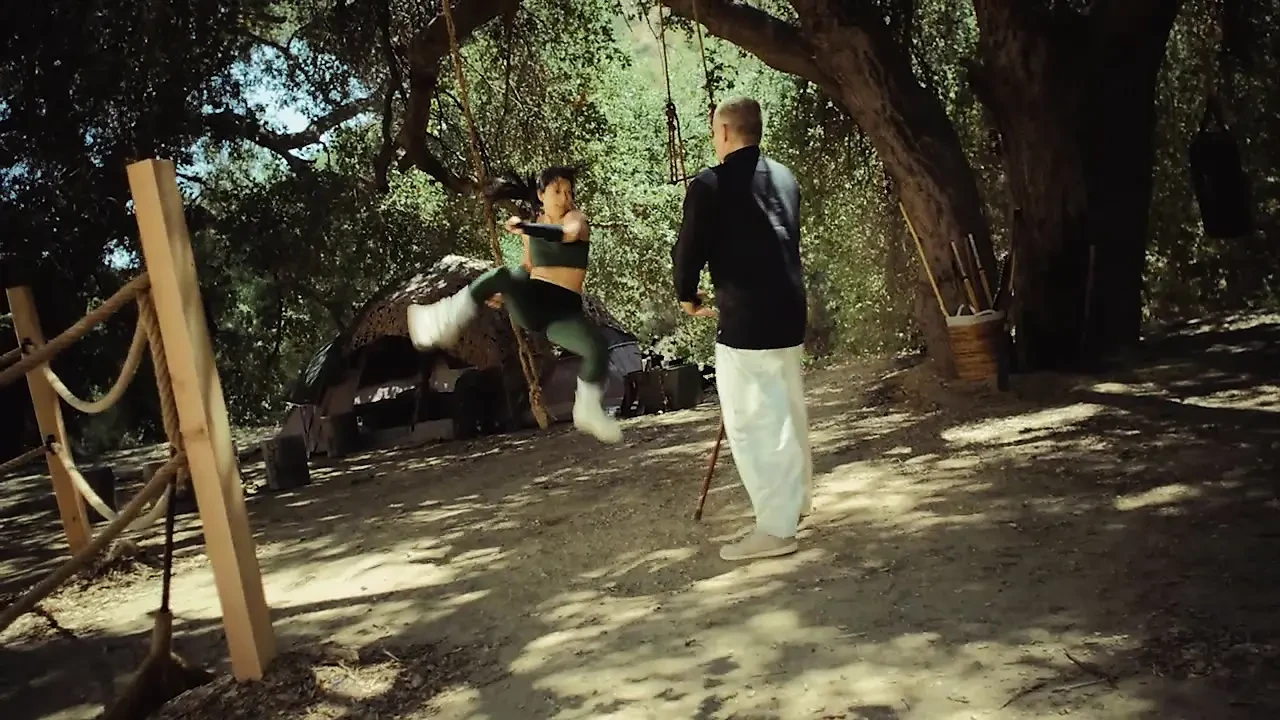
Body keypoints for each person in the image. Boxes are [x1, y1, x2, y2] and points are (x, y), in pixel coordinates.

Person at [672, 96, 813, 562]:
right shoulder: (785, 177)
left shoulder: (710, 184)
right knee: (788, 410)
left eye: (715, 132)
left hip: (747, 321)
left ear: (726, 132)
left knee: (755, 424)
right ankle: (797, 504)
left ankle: (776, 529)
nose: (714, 140)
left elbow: (688, 250)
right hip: (789, 312)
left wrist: (687, 295)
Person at [406, 166, 622, 444]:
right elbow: (527, 268)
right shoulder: (532, 230)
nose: (565, 198)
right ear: (541, 195)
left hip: (563, 311)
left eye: (569, 192)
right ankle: (442, 320)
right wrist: (505, 292)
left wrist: (526, 227)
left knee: (597, 349)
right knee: (502, 275)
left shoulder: (575, 219)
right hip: (534, 304)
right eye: (557, 191)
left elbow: (566, 234)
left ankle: (588, 409)